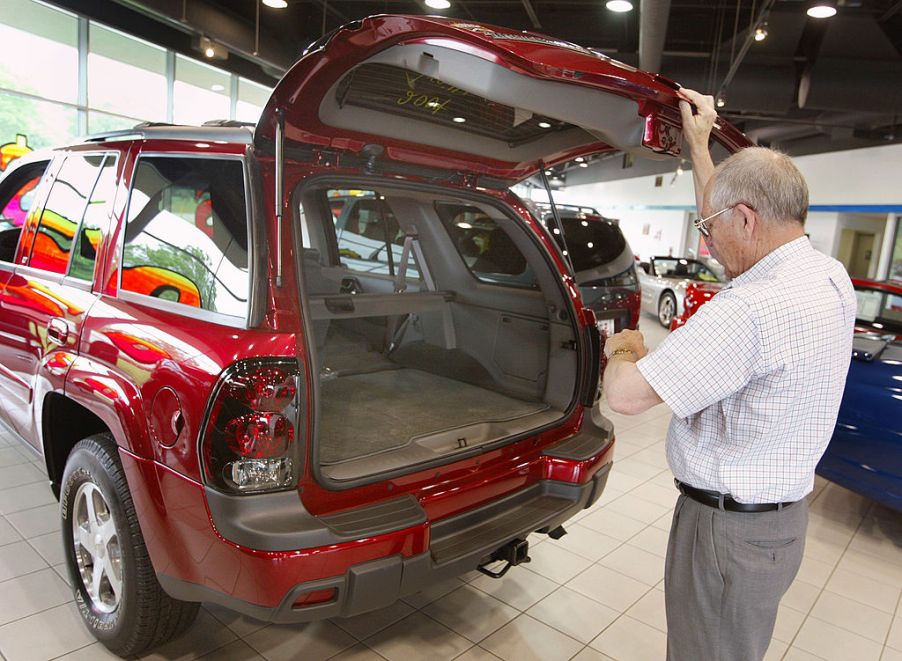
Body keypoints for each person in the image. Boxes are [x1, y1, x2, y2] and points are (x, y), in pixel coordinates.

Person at [601, 88, 855, 661]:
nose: (704, 242)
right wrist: (699, 146)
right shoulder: (831, 277)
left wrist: (624, 347)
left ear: (747, 218)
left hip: (724, 535)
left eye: (710, 228)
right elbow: (728, 216)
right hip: (778, 527)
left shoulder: (747, 310)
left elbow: (628, 396)